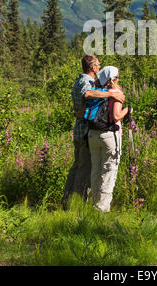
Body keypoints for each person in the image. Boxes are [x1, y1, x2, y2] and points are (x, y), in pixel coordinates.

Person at [62, 56, 125, 208]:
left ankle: (67, 201)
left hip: (81, 129)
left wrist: (78, 112)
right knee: (84, 170)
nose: (99, 67)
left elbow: (81, 109)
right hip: (85, 130)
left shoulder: (79, 80)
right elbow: (87, 94)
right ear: (93, 67)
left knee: (78, 167)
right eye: (98, 64)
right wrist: (111, 93)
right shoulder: (86, 82)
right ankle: (78, 204)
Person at [88, 66, 132, 213]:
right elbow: (116, 116)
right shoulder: (116, 93)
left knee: (96, 170)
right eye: (117, 76)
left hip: (92, 135)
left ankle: (95, 204)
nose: (119, 78)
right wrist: (128, 110)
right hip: (109, 136)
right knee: (108, 171)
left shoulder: (96, 92)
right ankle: (101, 210)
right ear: (112, 79)